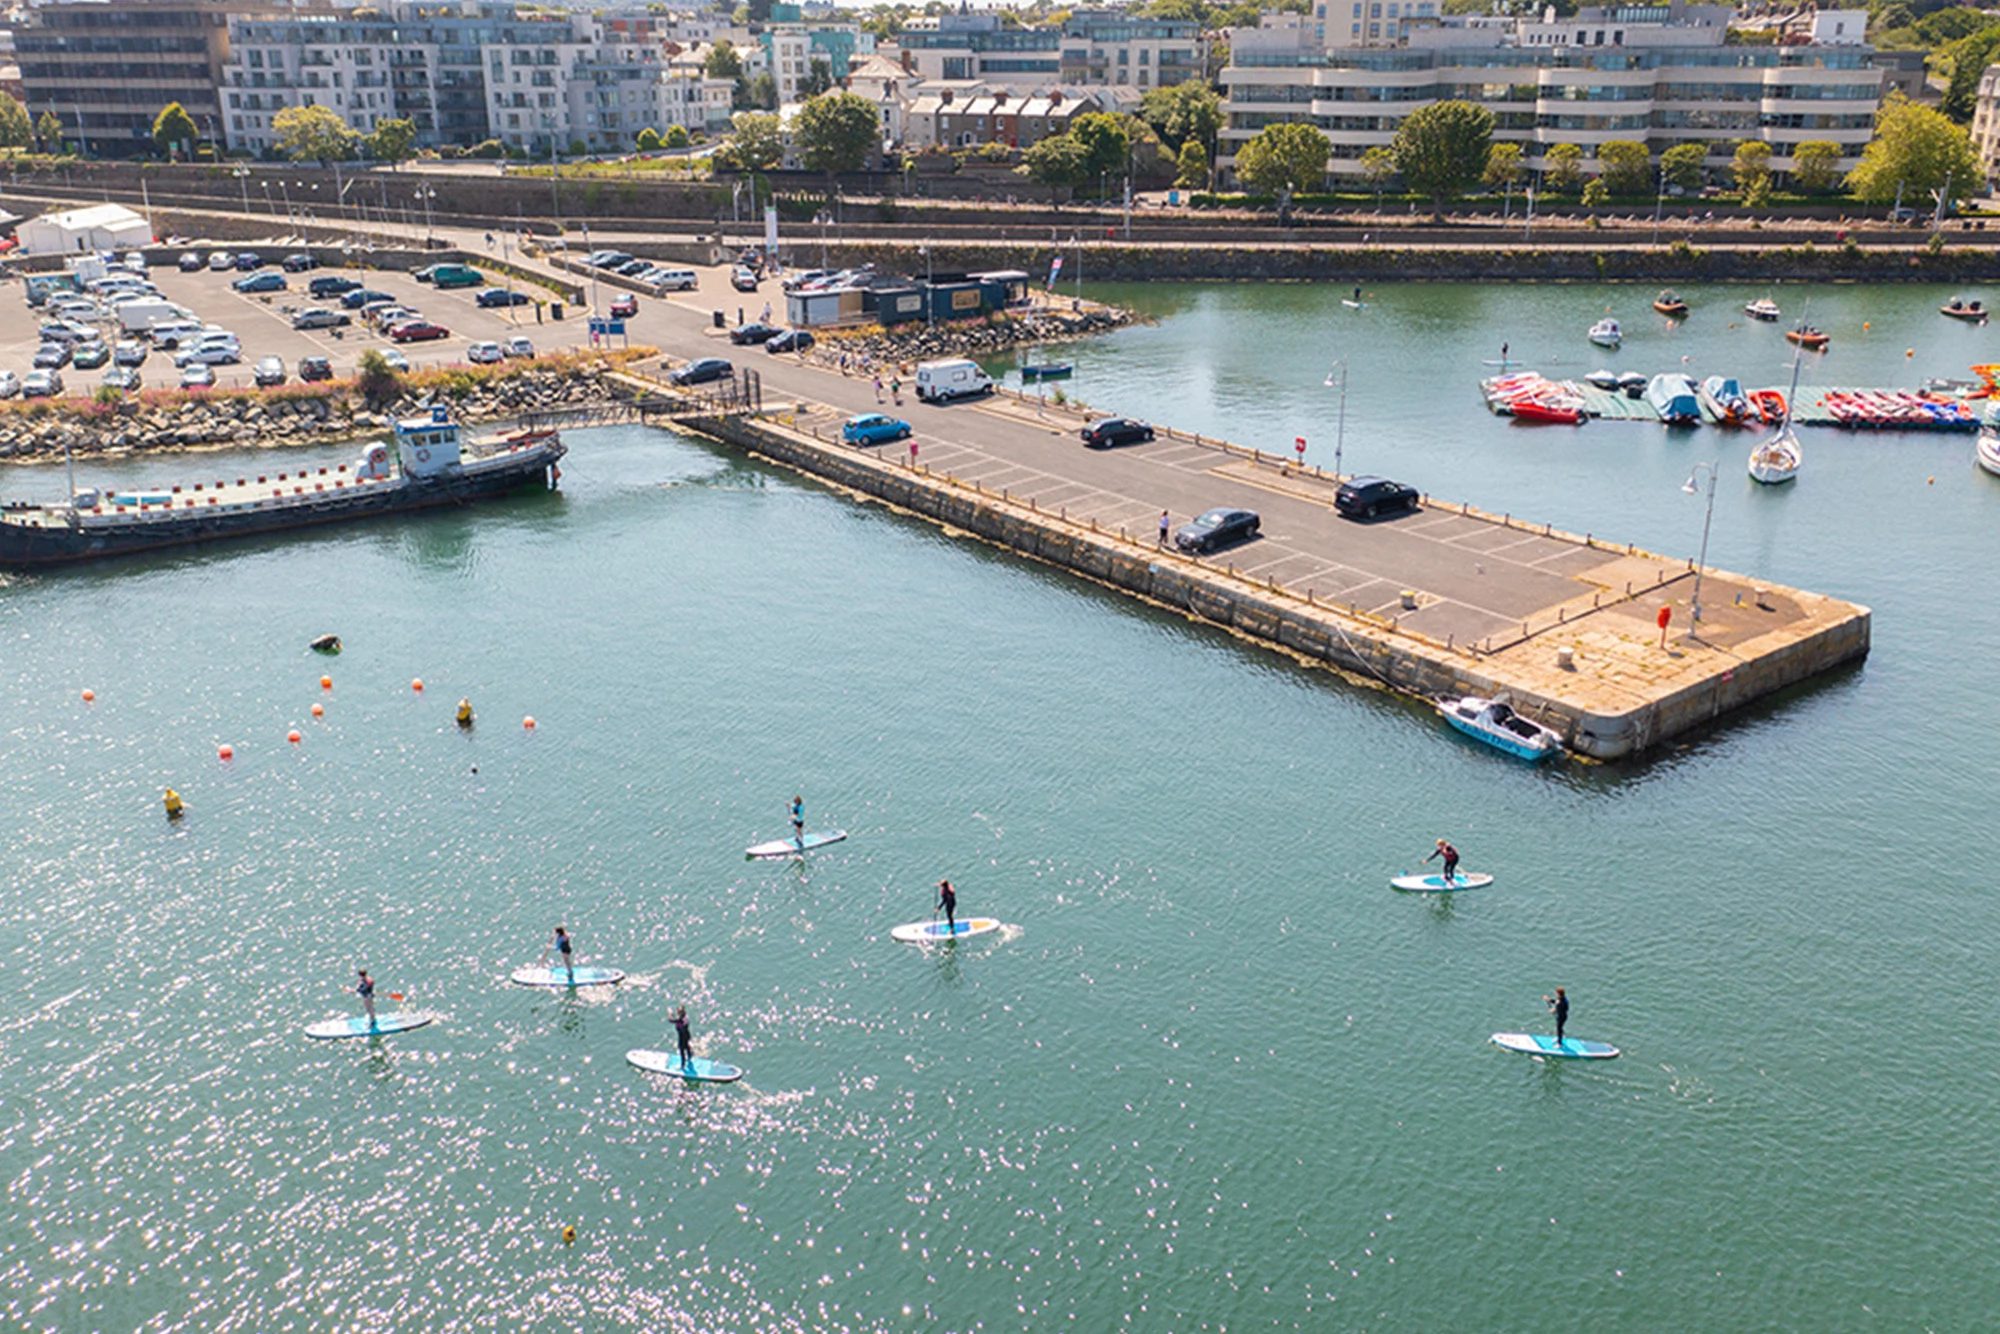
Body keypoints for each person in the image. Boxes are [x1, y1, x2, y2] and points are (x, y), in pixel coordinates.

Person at [672, 1004, 694, 1069]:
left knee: (681, 1049)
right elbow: (677, 1019)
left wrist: (670, 1014)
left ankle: (682, 1064)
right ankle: (689, 1057)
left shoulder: (681, 1020)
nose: (677, 1013)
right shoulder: (685, 1016)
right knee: (687, 1046)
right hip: (687, 1034)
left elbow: (671, 1020)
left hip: (682, 1036)